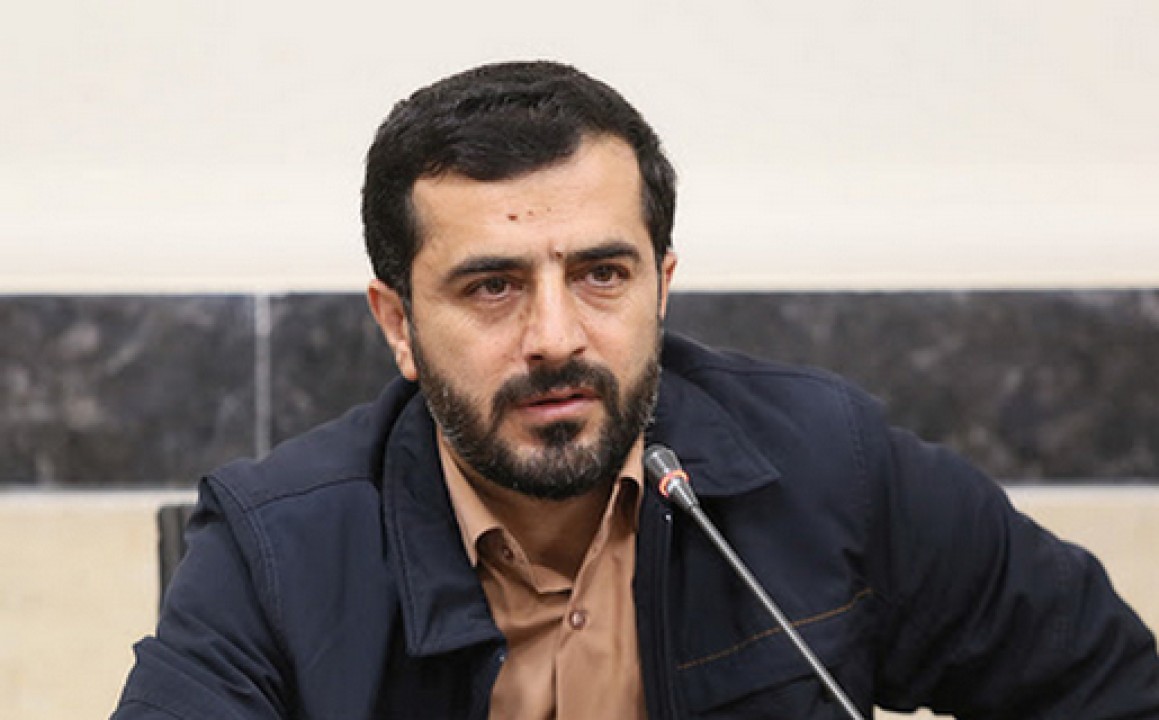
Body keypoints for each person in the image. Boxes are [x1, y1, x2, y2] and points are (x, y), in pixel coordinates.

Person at [112, 60, 1159, 719]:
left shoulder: (829, 466)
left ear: (662, 286)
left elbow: (1113, 692)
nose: (556, 338)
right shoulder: (278, 548)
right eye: (491, 287)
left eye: (601, 275)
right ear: (397, 324)